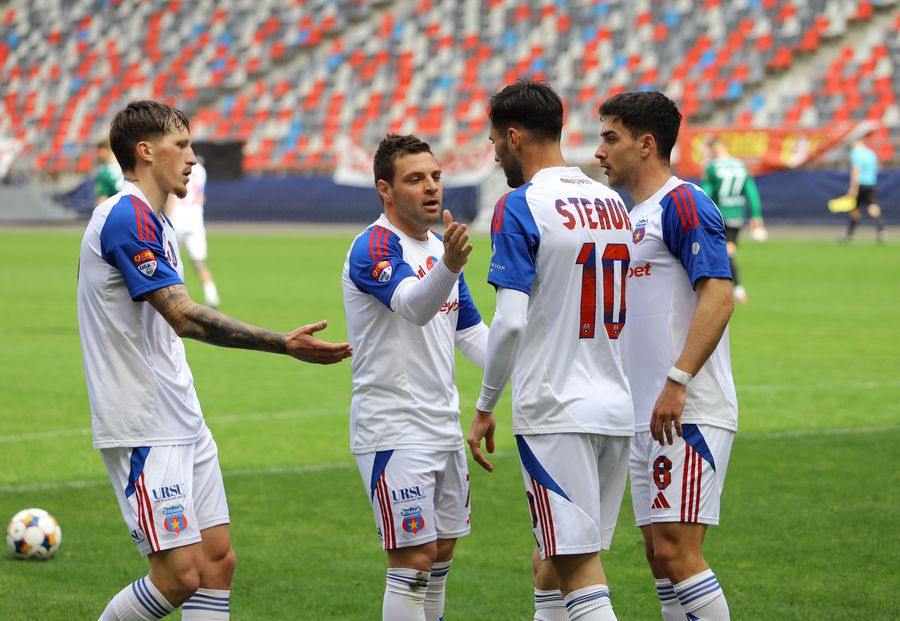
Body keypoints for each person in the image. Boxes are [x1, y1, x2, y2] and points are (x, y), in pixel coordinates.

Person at [77, 100, 352, 621]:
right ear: (144, 151)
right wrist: (281, 343)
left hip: (181, 414)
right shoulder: (125, 214)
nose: (193, 158)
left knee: (217, 562)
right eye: (180, 146)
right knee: (178, 576)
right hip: (142, 423)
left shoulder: (156, 221)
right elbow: (182, 315)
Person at [467, 79, 635, 621]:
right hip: (613, 408)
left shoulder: (520, 205)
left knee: (579, 570)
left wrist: (487, 403)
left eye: (494, 142)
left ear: (514, 137)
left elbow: (511, 322)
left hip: (555, 408)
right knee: (551, 564)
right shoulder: (613, 203)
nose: (494, 156)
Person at [595, 91, 737, 620]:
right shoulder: (633, 216)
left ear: (646, 144)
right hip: (647, 414)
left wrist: (677, 381)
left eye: (611, 138)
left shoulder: (684, 203)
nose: (599, 151)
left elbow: (719, 296)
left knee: (679, 552)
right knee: (658, 555)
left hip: (687, 409)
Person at [342, 133, 489, 621]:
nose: (431, 188)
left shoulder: (435, 249)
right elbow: (412, 306)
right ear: (385, 190)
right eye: (415, 179)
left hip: (443, 426)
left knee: (441, 555)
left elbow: (471, 337)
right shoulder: (374, 246)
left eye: (435, 177)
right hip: (394, 428)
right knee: (413, 562)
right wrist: (449, 265)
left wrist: (537, 359)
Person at [701, 136, 765, 303]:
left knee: (716, 252)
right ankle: (735, 289)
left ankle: (734, 288)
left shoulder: (713, 167)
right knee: (728, 251)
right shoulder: (741, 165)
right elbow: (751, 191)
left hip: (719, 215)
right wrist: (756, 215)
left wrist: (699, 213)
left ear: (714, 150)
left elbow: (705, 194)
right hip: (736, 215)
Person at [164, 159, 221, 308]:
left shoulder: (174, 166)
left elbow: (170, 196)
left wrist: (166, 220)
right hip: (195, 221)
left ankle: (176, 299)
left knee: (170, 264)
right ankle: (212, 295)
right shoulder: (201, 170)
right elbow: (203, 197)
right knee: (198, 262)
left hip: (176, 220)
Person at [840, 136, 886, 244]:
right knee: (873, 207)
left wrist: (853, 188)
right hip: (871, 183)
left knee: (854, 209)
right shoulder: (871, 153)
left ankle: (849, 235)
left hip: (860, 184)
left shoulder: (855, 154)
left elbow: (856, 171)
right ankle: (881, 231)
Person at [94, 137, 124, 206]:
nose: (98, 155)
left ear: (104, 151)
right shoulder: (127, 166)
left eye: (99, 151)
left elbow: (102, 200)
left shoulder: (103, 172)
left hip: (116, 211)